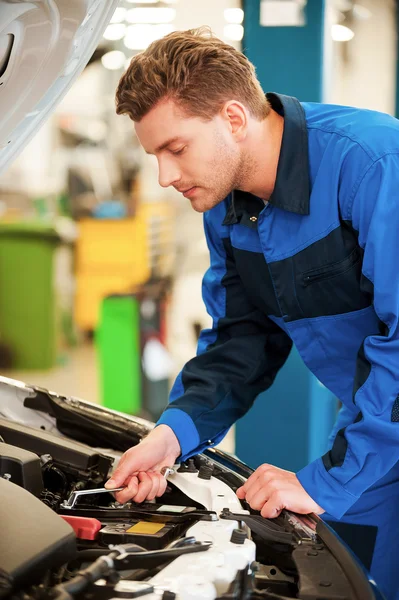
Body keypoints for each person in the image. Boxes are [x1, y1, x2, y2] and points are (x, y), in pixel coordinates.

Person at [105, 27, 399, 599]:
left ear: (234, 120)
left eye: (176, 149)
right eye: (154, 155)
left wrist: (329, 479)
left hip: (385, 413)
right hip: (379, 418)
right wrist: (172, 434)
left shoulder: (373, 162)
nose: (165, 176)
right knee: (355, 579)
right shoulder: (228, 209)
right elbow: (243, 337)